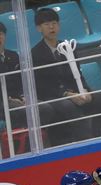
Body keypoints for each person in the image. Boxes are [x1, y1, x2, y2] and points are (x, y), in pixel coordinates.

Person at [31, 8, 101, 145]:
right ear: (39, 28)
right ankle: (86, 143)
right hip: (54, 96)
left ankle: (97, 137)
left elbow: (77, 73)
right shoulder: (35, 54)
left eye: (54, 23)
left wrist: (85, 90)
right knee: (68, 105)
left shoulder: (68, 47)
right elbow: (42, 86)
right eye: (46, 24)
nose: (51, 27)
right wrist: (67, 94)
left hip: (74, 92)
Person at [0, 22, 54, 153]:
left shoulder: (13, 56)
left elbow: (21, 81)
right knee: (23, 112)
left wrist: (23, 96)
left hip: (18, 99)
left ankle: (33, 143)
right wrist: (9, 99)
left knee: (46, 108)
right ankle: (21, 147)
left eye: (0, 34)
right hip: (2, 102)